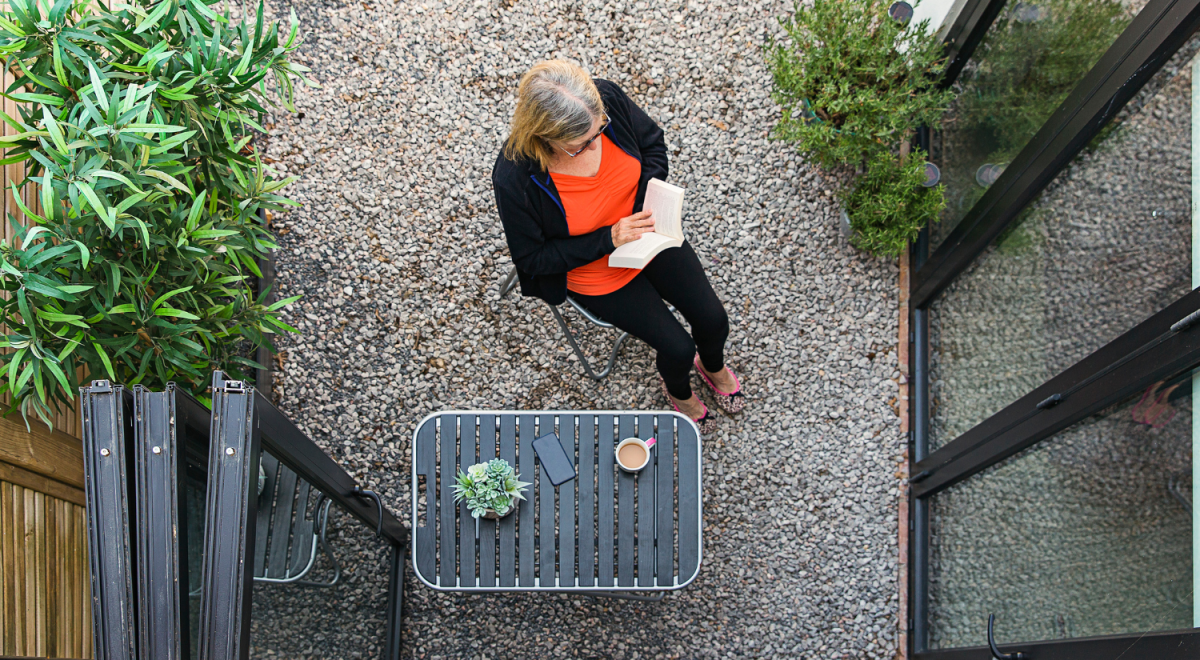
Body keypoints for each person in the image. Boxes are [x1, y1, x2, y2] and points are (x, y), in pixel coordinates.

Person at [491, 60, 745, 433]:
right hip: (595, 272)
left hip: (647, 233)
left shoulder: (604, 98)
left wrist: (646, 200)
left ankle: (712, 366)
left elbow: (653, 145)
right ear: (547, 136)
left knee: (713, 319)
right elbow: (533, 259)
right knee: (676, 348)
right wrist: (608, 238)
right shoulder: (516, 178)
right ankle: (680, 393)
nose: (597, 143)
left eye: (600, 130)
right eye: (583, 144)